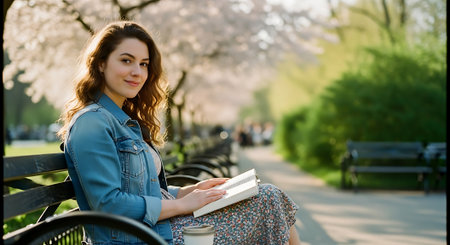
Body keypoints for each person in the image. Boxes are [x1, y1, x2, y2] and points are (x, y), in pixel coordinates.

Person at [57, 21, 300, 245]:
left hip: (157, 228)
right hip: (140, 238)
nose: (138, 72)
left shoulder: (121, 121)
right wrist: (183, 205)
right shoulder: (92, 123)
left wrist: (187, 191)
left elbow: (140, 192)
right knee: (268, 199)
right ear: (100, 63)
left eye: (143, 64)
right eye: (126, 60)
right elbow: (109, 204)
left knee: (268, 197)